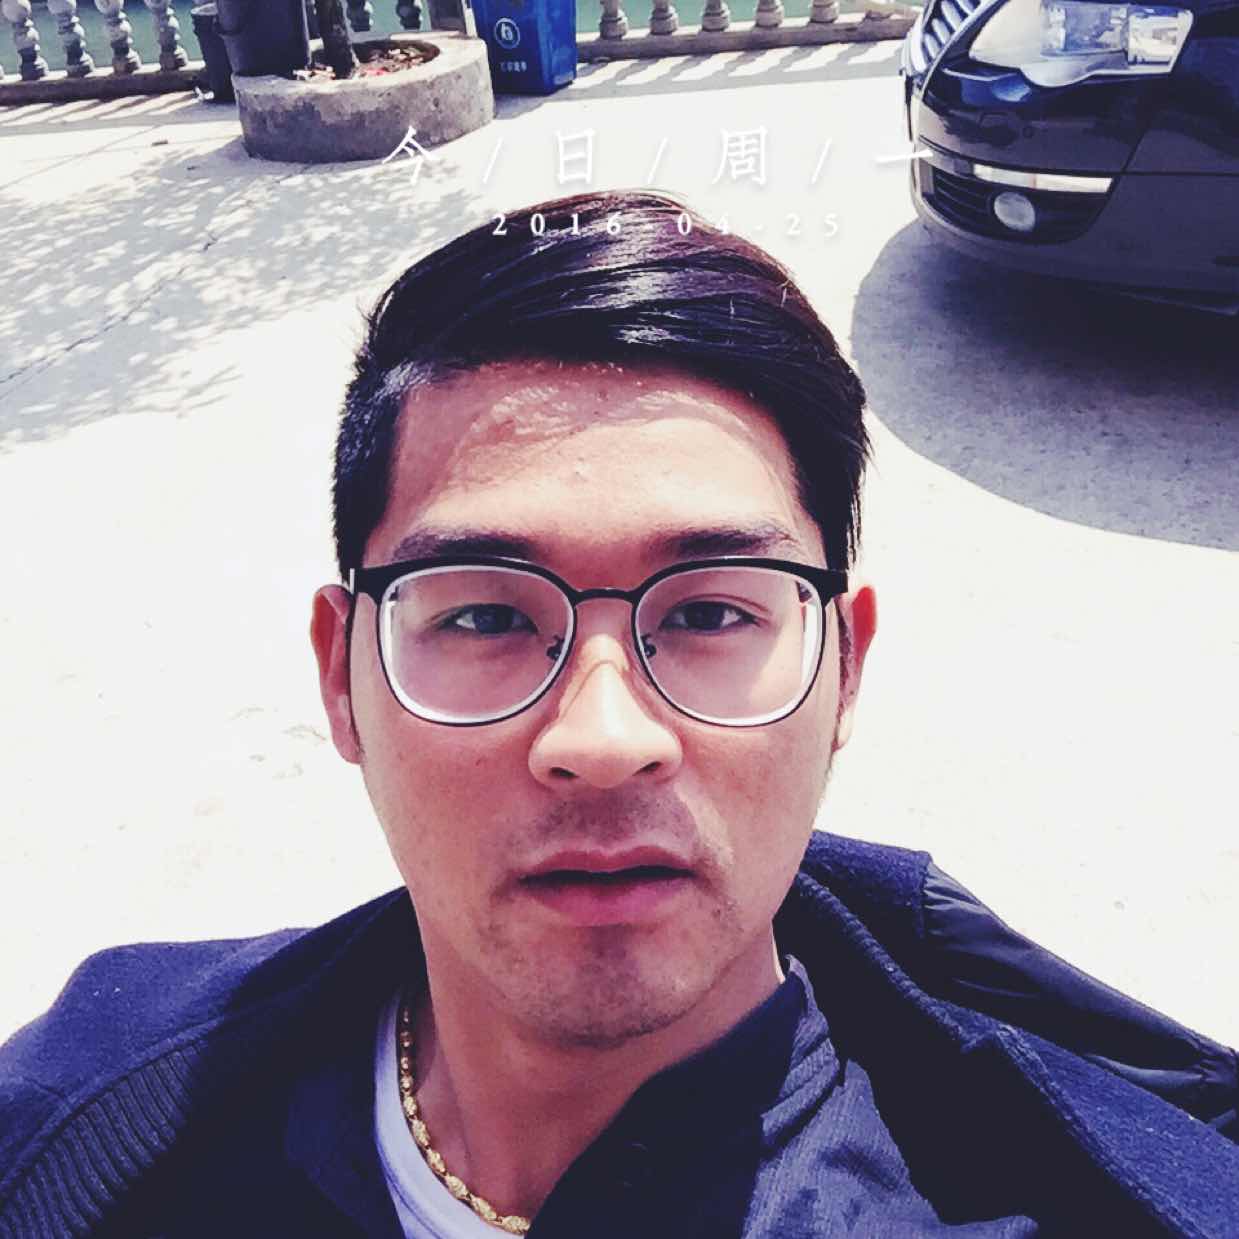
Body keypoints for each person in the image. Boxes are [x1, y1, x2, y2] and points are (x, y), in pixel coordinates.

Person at [1, 189, 1236, 1239]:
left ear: (844, 669)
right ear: (342, 677)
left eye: (711, 613)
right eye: (484, 616)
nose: (601, 740)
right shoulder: (79, 1108)